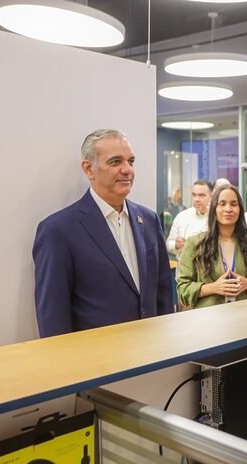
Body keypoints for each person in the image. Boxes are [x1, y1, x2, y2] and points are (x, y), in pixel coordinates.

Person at [33, 129, 173, 338]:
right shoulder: (59, 230)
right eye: (115, 162)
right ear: (89, 169)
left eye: (131, 162)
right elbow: (53, 316)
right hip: (97, 354)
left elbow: (163, 294)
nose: (127, 170)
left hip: (150, 348)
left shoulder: (149, 220)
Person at [176, 184, 247, 309]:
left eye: (234, 204)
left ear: (240, 209)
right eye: (222, 204)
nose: (228, 209)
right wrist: (211, 288)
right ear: (214, 208)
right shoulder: (195, 243)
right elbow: (182, 290)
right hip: (207, 318)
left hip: (243, 316)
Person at [165, 180, 213, 258]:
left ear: (211, 196)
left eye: (201, 195)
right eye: (194, 195)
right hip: (184, 264)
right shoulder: (182, 217)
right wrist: (176, 245)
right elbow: (168, 244)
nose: (196, 199)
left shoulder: (217, 218)